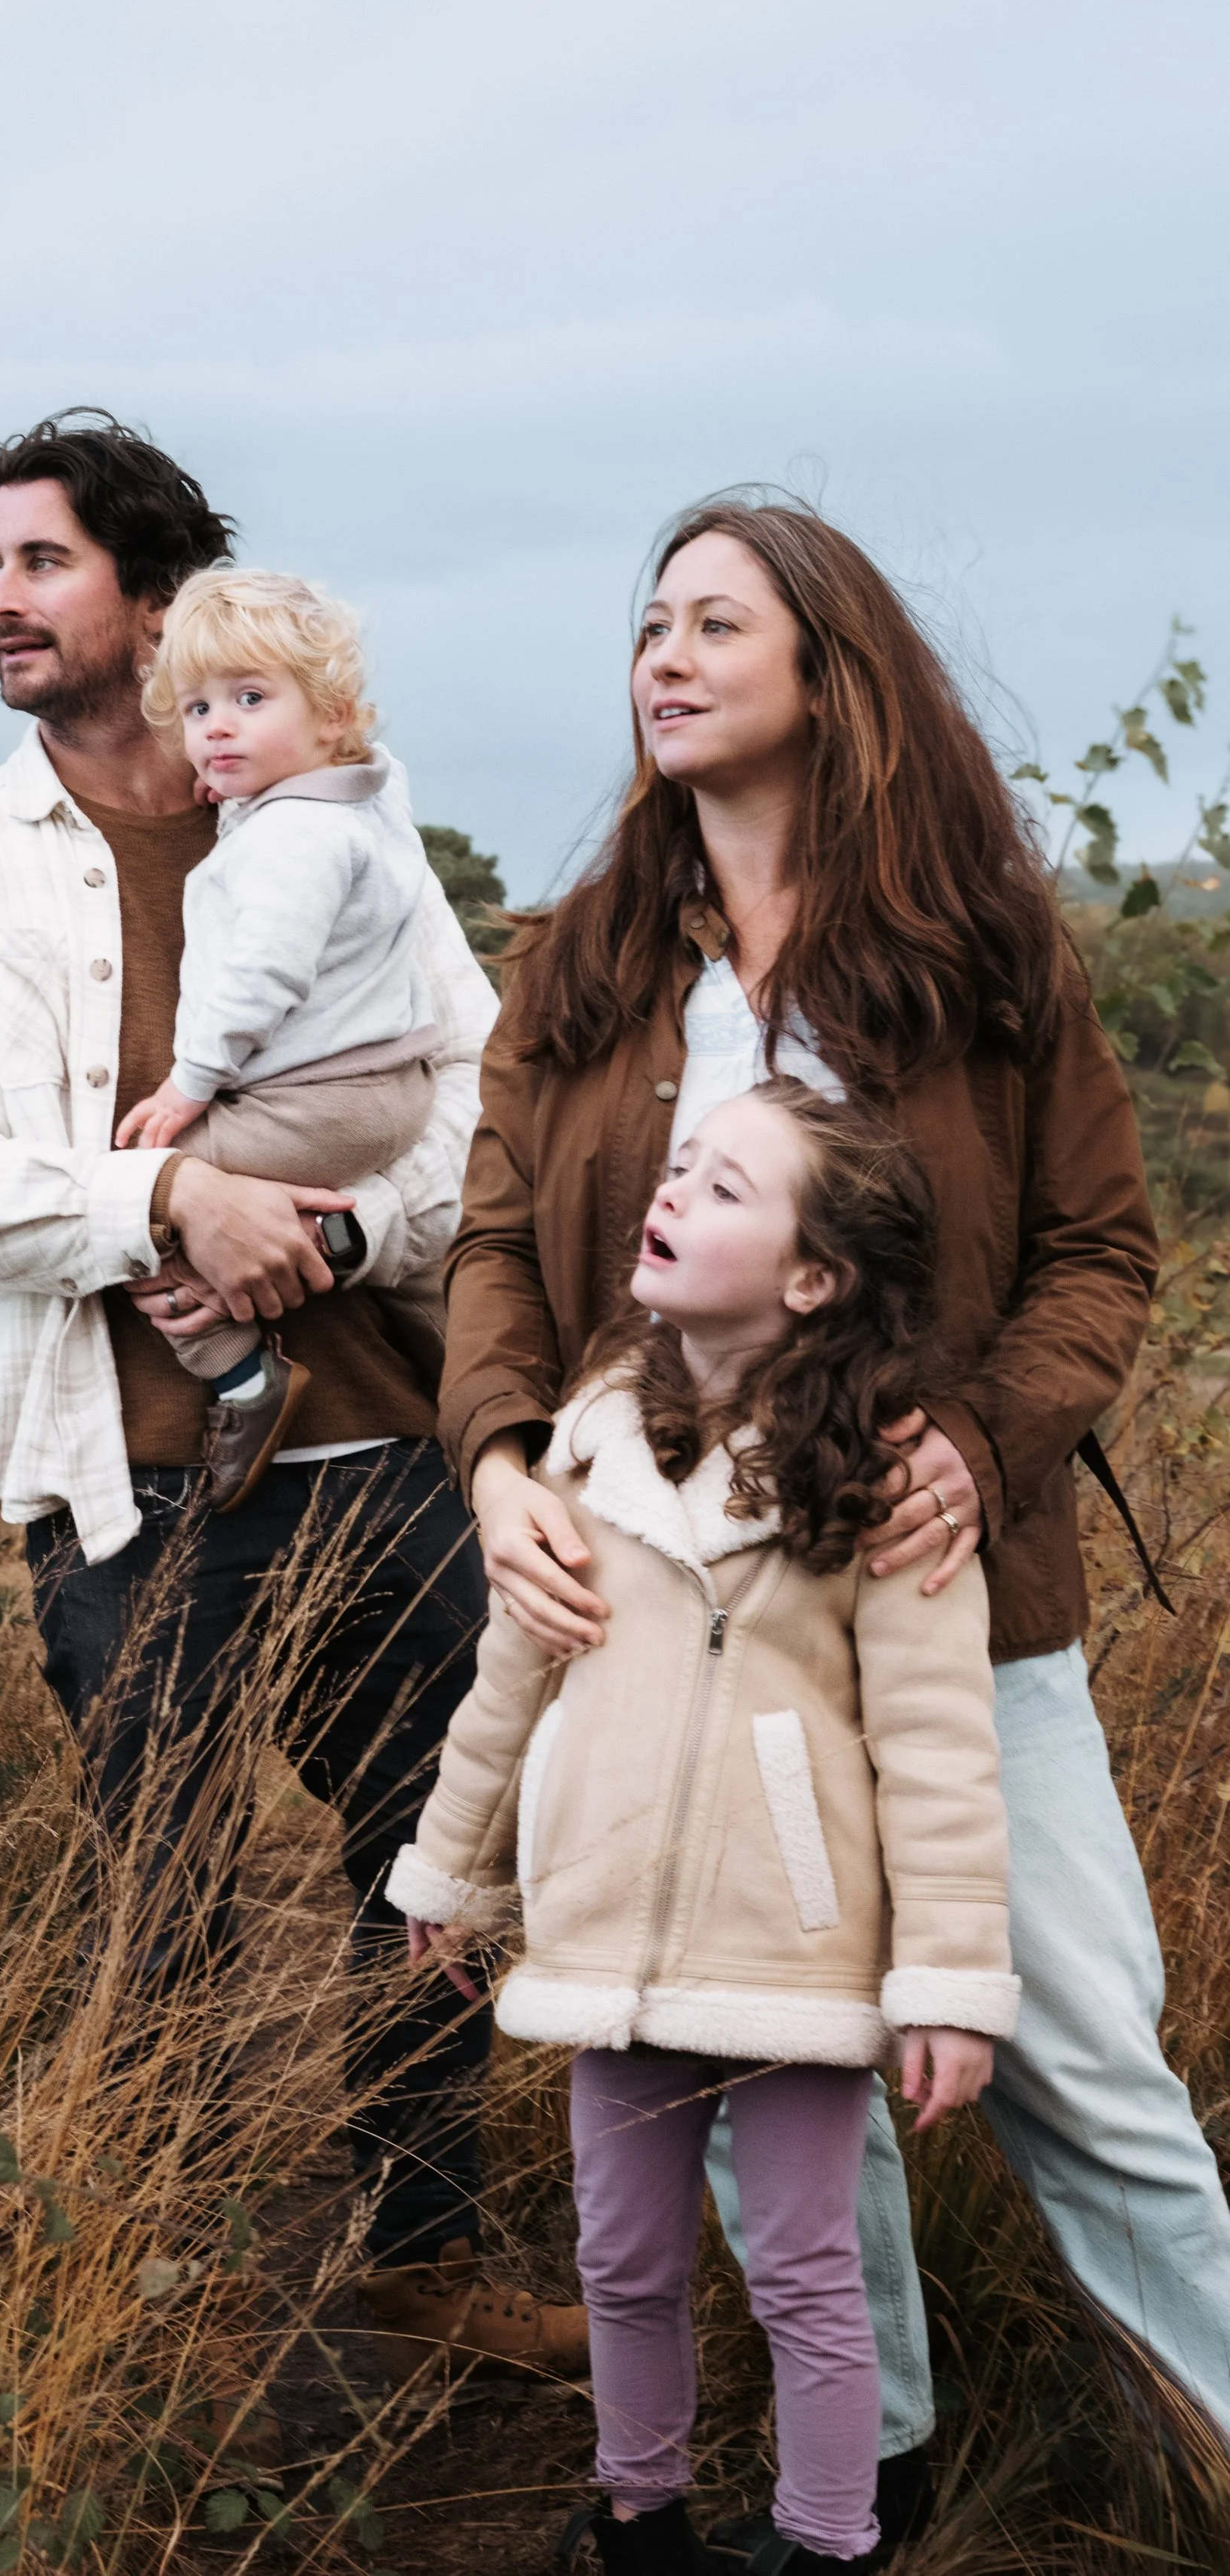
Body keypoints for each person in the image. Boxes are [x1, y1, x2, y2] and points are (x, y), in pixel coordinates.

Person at [440, 493, 1230, 2547]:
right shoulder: (591, 955)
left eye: (717, 620)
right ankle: (853, 2493)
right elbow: (501, 1242)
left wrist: (988, 1426)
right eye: (648, 623)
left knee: (1081, 2063)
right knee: (760, 2088)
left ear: (826, 666)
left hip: (943, 1605)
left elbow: (1095, 1251)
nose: (664, 654)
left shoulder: (981, 943)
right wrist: (502, 1457)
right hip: (672, 1615)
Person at [0, 409, 585, 2386]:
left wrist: (339, 1240)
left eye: (42, 563)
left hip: (373, 1435)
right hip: (117, 1477)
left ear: (153, 596)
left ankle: (422, 2253)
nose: (0, 599)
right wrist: (172, 1191)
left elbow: (485, 1102)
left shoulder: (328, 824)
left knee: (433, 1856)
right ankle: (152, 2306)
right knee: (160, 1882)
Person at [392, 1080, 1018, 2571]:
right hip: (610, 1930)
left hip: (792, 1957)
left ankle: (825, 2541)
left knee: (803, 2271)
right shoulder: (592, 1443)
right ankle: (637, 2518)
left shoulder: (880, 1478)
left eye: (725, 1186)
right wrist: (451, 1864)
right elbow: (510, 1673)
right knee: (619, 2258)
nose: (670, 1192)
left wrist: (942, 1985)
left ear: (813, 1278)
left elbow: (937, 1752)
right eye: (677, 1167)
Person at [116, 564, 443, 1505]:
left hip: (320, 1098)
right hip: (378, 1090)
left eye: (250, 699)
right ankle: (427, 1319)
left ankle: (240, 1369)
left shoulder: (292, 837)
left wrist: (189, 1082)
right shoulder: (359, 804)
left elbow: (263, 973)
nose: (215, 726)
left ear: (332, 715)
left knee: (143, 1198)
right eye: (196, 706)